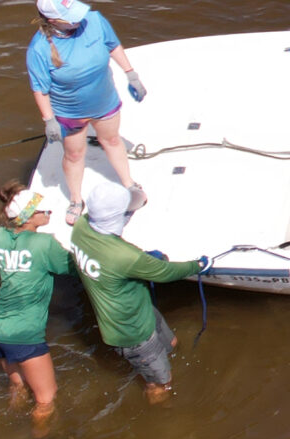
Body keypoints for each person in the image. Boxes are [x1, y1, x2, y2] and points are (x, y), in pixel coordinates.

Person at [66, 165, 204, 403]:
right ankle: (160, 423)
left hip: (139, 311)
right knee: (161, 383)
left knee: (171, 343)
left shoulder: (80, 227)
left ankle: (164, 360)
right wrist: (198, 265)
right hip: (133, 334)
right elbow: (166, 272)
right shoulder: (126, 257)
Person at [26, 0, 147, 210]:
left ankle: (129, 184)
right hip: (70, 112)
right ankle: (75, 199)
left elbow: (113, 46)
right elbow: (40, 89)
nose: (79, 19)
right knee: (74, 154)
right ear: (53, 20)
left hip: (104, 101)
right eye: (70, 17)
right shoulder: (39, 48)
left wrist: (131, 74)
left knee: (111, 140)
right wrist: (49, 120)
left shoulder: (95, 20)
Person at [0, 180, 72, 427]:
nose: (48, 213)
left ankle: (10, 427)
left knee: (18, 385)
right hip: (24, 333)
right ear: (28, 218)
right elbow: (76, 268)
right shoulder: (44, 244)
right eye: (43, 210)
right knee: (46, 399)